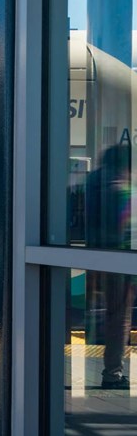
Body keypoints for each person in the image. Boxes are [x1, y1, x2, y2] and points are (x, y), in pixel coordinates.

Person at [85, 143, 133, 390]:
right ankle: (113, 373)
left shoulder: (93, 185)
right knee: (119, 318)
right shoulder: (122, 191)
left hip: (95, 258)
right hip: (121, 264)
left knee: (106, 314)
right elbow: (128, 229)